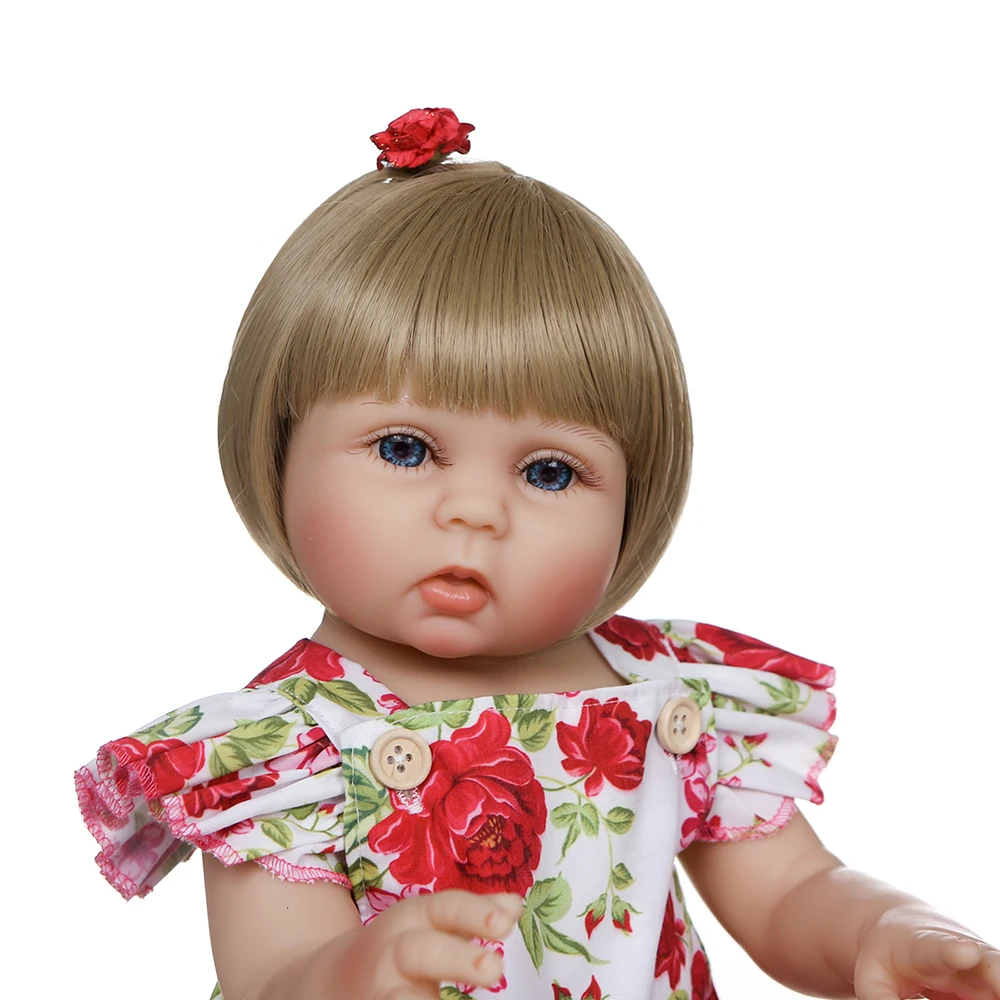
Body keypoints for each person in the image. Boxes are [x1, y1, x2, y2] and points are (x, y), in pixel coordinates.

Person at [74, 108, 1000, 1000]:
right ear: (278, 450)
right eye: (405, 449)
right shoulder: (286, 749)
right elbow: (274, 975)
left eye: (549, 472)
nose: (477, 511)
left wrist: (885, 929)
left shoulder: (666, 690)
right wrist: (357, 973)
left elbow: (790, 893)